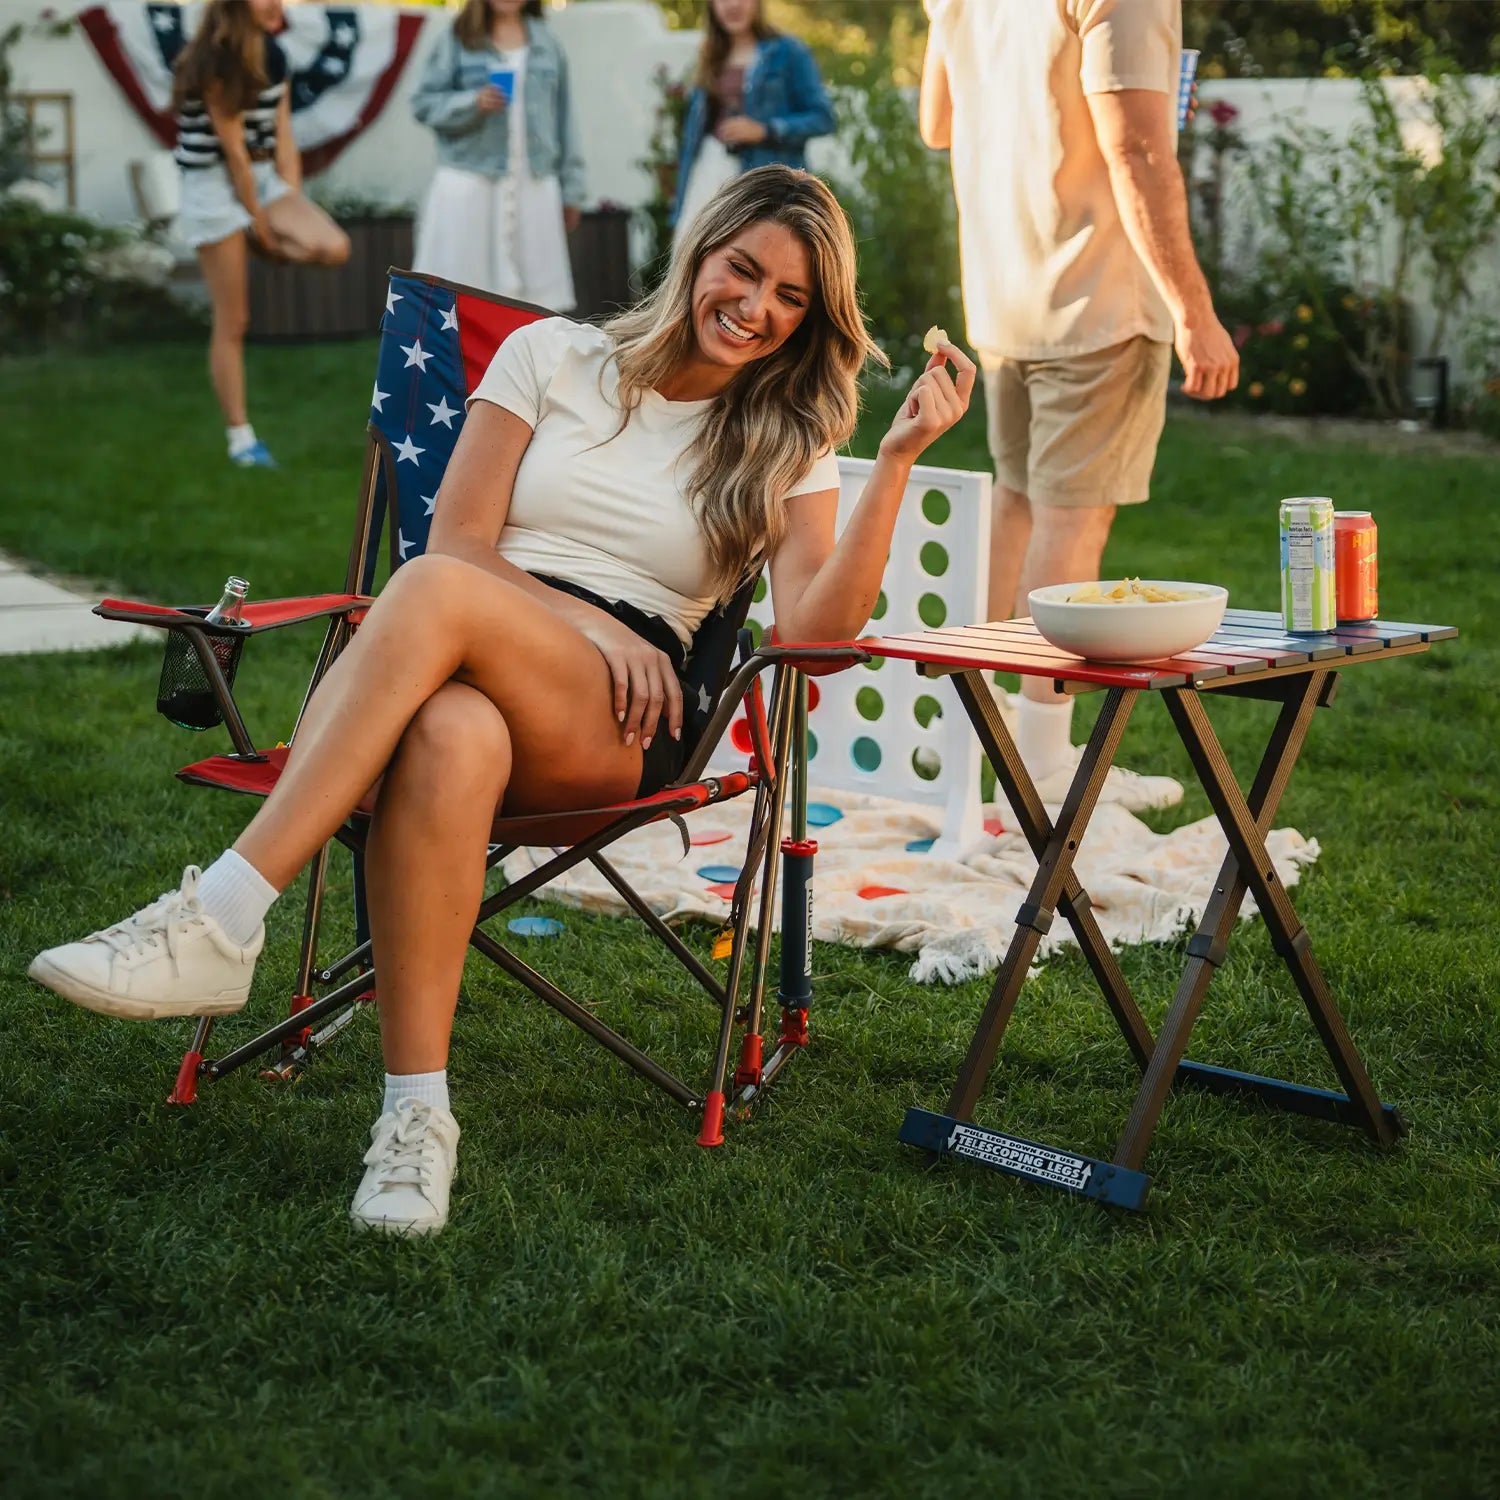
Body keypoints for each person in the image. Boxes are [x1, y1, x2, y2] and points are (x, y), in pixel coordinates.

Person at [30, 166, 975, 1240]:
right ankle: (415, 1122)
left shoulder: (786, 434)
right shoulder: (550, 357)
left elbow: (812, 641)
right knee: (449, 730)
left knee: (429, 594)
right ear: (699, 252)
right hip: (463, 659)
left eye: (791, 297)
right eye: (743, 269)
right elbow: (464, 539)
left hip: (618, 715)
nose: (756, 307)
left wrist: (893, 459)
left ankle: (227, 914)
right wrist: (587, 621)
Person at [919, 0, 1240, 809]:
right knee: (1070, 522)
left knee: (1020, 508)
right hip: (1098, 296)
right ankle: (1045, 768)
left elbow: (937, 122)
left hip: (1007, 291)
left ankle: (967, 748)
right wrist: (1194, 312)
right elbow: (1135, 148)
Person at [173, 0, 351, 469]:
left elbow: (283, 134)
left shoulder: (275, 54)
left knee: (333, 247)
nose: (276, 3)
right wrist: (261, 224)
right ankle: (241, 438)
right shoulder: (213, 60)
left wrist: (286, 200)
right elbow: (231, 154)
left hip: (262, 175)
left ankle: (253, 242)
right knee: (235, 321)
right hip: (212, 184)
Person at [411, 0, 583, 312]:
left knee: (536, 304)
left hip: (533, 185)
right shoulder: (456, 38)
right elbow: (423, 104)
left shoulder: (547, 43)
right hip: (470, 185)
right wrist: (472, 103)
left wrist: (572, 188)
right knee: (462, 296)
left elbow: (565, 120)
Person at [671, 0, 834, 251]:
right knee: (699, 260)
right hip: (708, 179)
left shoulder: (788, 52)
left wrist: (765, 130)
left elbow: (823, 118)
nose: (733, 4)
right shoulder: (710, 55)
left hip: (763, 183)